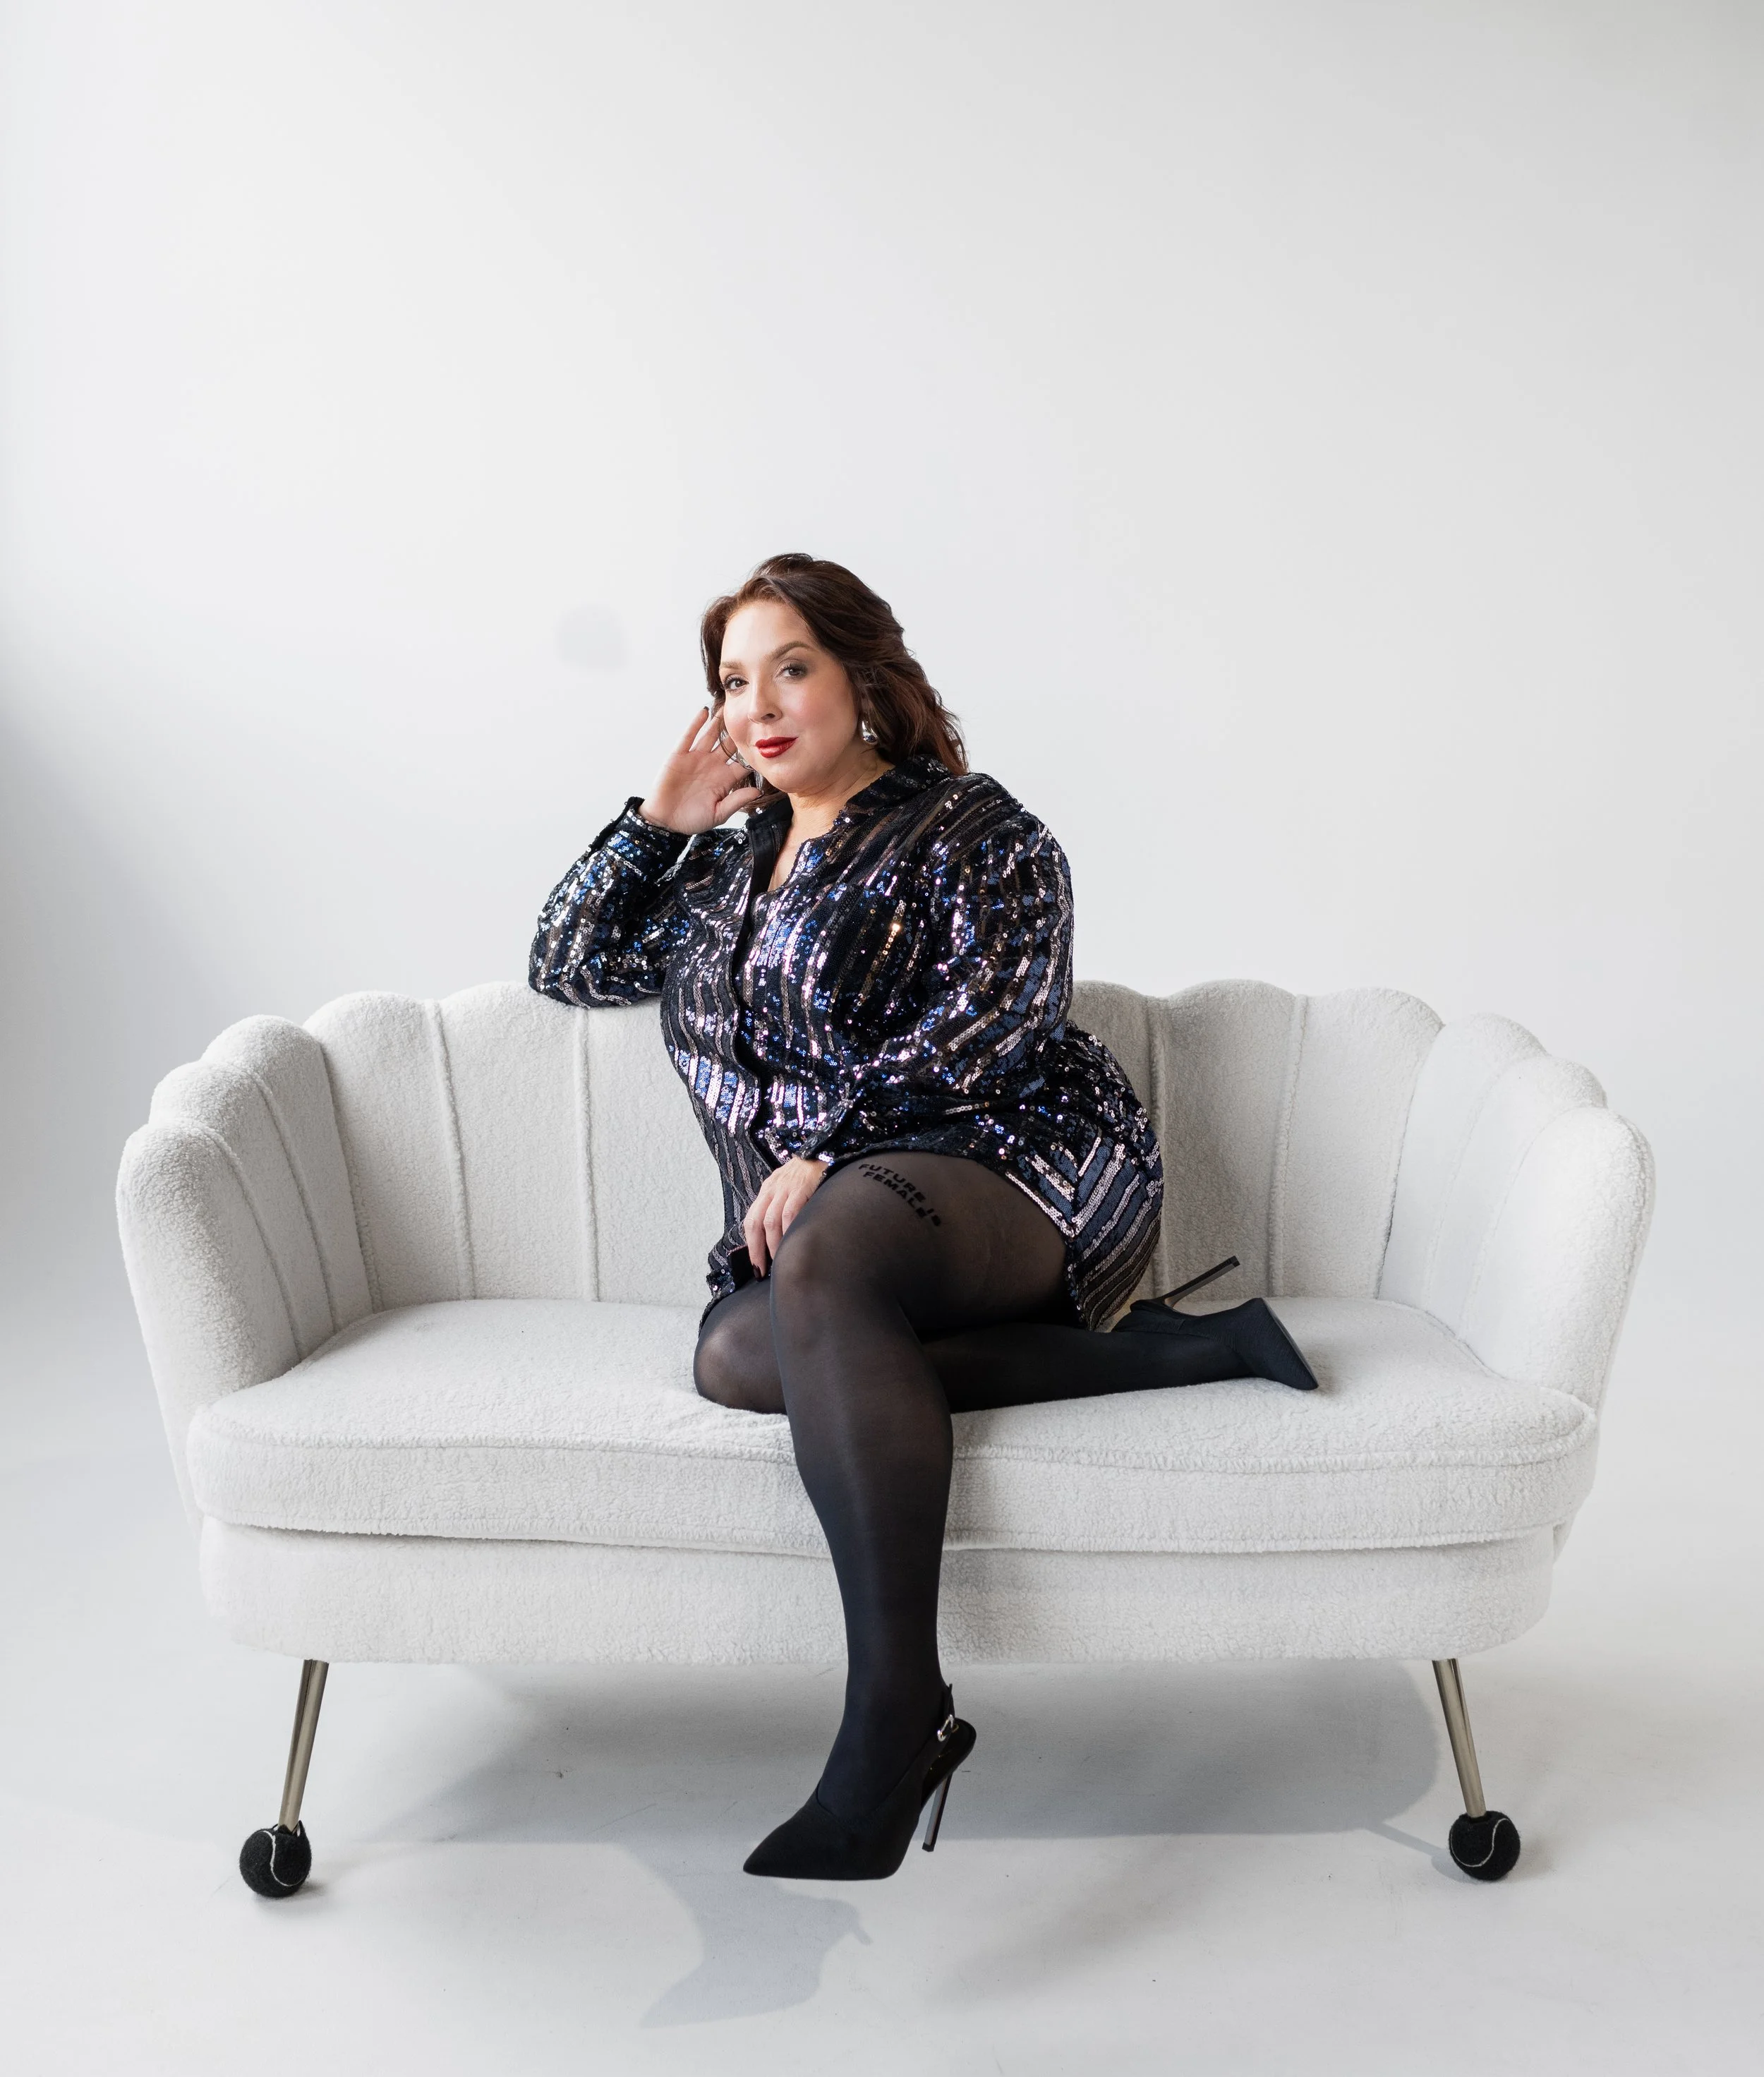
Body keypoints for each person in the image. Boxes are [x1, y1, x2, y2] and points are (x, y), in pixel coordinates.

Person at [530, 553, 1317, 1882]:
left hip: (1016, 1172)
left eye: (792, 667)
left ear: (860, 676)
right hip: (829, 1228)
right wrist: (655, 824)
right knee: (735, 1355)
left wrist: (832, 1148)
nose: (760, 707)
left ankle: (894, 1713)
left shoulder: (972, 827)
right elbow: (566, 964)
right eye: (733, 682)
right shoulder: (718, 874)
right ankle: (1182, 1348)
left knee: (828, 1254)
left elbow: (1001, 1023)